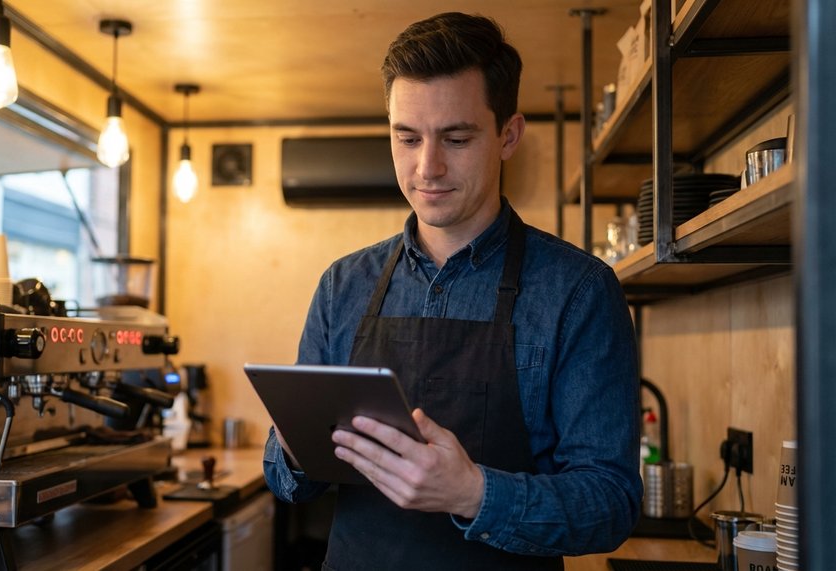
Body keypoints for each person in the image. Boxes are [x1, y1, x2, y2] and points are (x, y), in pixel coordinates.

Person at [262, 11, 642, 570]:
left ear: (508, 135)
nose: (427, 167)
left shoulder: (578, 291)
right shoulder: (343, 286)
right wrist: (294, 448)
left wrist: (472, 493)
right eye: (407, 138)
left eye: (456, 138)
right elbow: (284, 478)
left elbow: (611, 503)